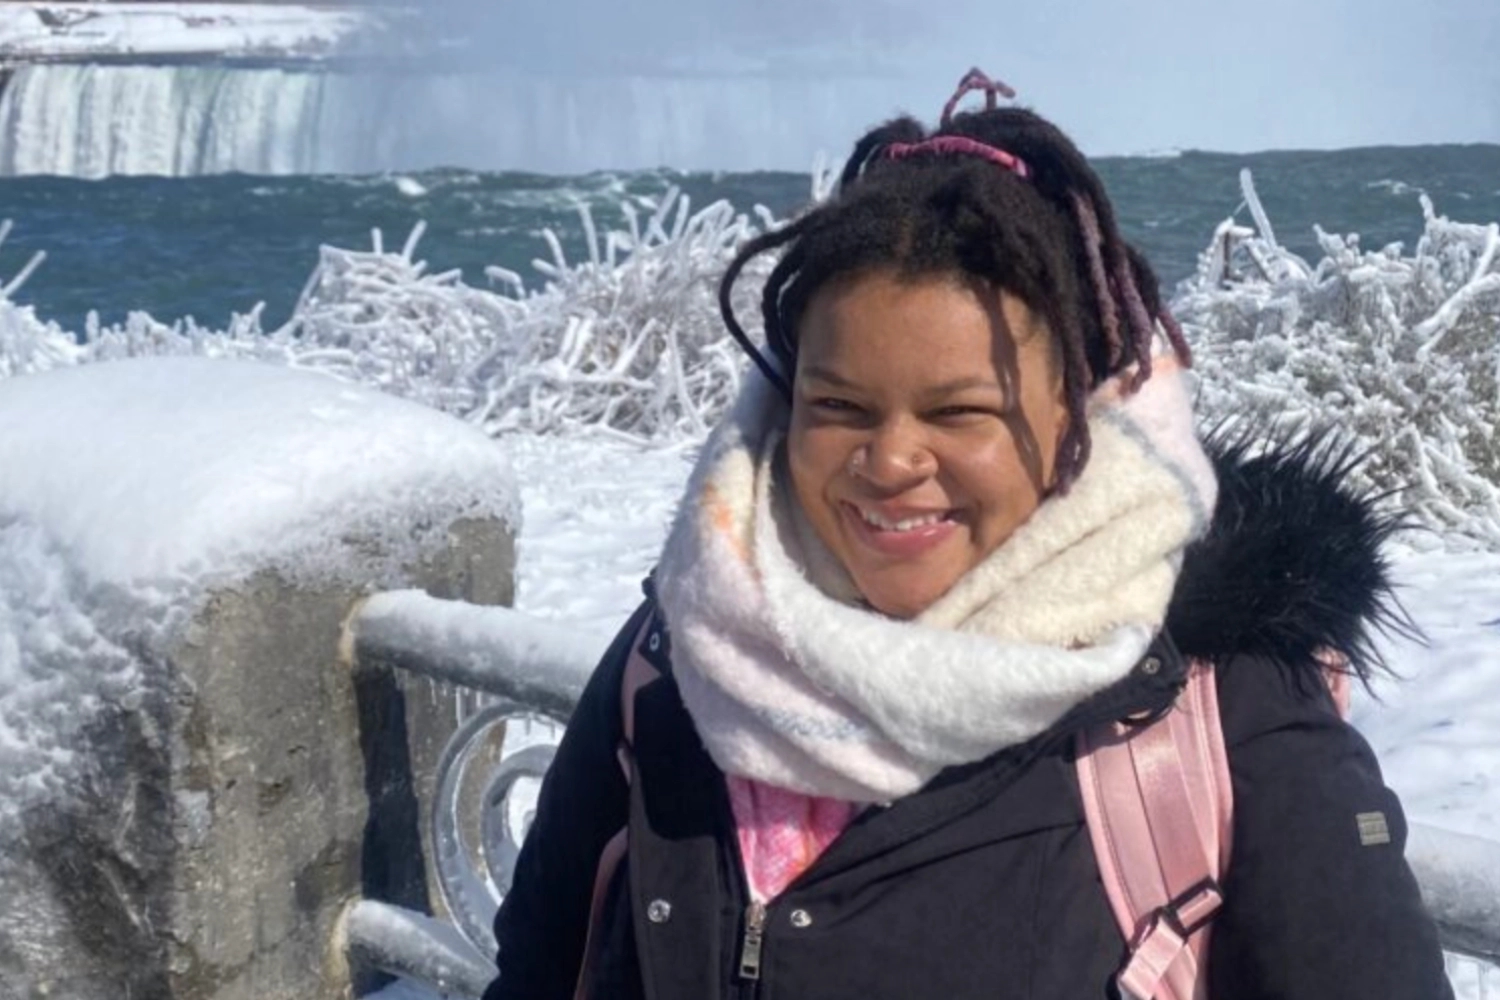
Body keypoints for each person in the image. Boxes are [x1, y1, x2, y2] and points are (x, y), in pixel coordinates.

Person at [484, 70, 1453, 1000]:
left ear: (1075, 421)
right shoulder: (685, 652)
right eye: (839, 404)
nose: (892, 460)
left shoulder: (1217, 709)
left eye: (960, 412)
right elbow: (534, 970)